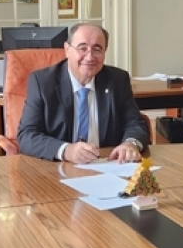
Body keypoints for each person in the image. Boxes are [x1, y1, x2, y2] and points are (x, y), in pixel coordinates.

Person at [17, 23, 150, 164]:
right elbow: (27, 135)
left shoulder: (117, 80)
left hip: (107, 165)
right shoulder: (43, 82)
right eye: (82, 48)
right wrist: (66, 150)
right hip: (56, 169)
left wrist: (130, 144)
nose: (90, 57)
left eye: (97, 49)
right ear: (67, 50)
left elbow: (135, 124)